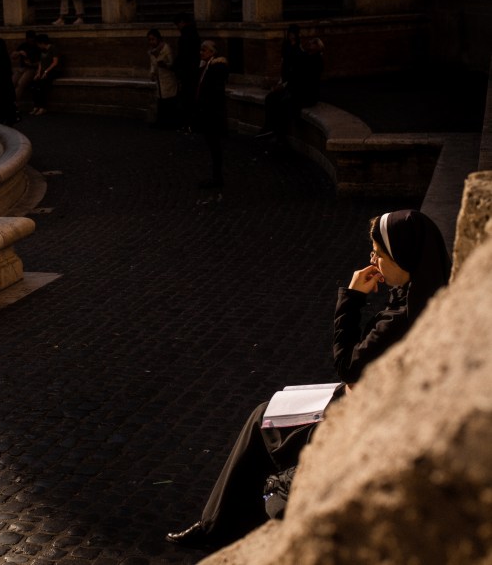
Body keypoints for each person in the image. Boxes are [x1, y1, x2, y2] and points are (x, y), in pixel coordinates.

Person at [166, 210, 452, 552]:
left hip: (362, 421)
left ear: (402, 256)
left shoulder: (402, 316)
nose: (372, 260)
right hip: (376, 407)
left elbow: (347, 365)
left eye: (379, 253)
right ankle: (222, 525)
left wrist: (353, 296)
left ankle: (217, 528)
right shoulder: (425, 291)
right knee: (266, 415)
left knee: (263, 419)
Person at [258, 35, 325, 139]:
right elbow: (294, 71)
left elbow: (304, 79)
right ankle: (269, 126)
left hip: (307, 94)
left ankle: (280, 135)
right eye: (311, 42)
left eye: (314, 43)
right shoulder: (305, 57)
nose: (310, 43)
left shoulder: (317, 61)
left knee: (284, 104)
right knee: (270, 98)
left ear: (319, 47)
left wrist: (285, 87)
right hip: (296, 90)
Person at [192, 40, 228, 201]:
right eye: (201, 50)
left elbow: (215, 90)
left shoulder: (216, 68)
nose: (201, 53)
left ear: (212, 52)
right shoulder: (205, 67)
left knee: (214, 145)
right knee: (212, 144)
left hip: (212, 112)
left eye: (204, 51)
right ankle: (216, 175)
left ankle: (217, 176)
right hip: (207, 111)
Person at [172, 12, 201, 132]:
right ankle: (190, 124)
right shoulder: (194, 34)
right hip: (193, 71)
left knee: (187, 99)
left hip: (187, 72)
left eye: (178, 24)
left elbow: (183, 56)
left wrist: (175, 67)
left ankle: (188, 125)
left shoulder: (185, 36)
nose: (177, 27)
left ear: (182, 22)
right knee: (190, 98)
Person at [147, 28, 177, 129]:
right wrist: (152, 73)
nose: (151, 42)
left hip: (168, 78)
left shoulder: (166, 48)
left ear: (159, 39)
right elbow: (152, 63)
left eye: (153, 39)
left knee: (168, 101)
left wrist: (162, 62)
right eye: (150, 40)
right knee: (160, 100)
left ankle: (170, 123)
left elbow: (171, 63)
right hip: (159, 79)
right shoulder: (152, 51)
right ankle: (161, 122)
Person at [29, 34, 59, 116]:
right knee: (34, 85)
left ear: (42, 43)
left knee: (43, 86)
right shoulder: (42, 50)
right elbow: (40, 63)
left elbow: (55, 62)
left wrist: (46, 71)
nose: (38, 46)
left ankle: (43, 107)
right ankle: (36, 106)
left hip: (52, 71)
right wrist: (38, 73)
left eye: (38, 44)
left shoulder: (53, 48)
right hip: (43, 71)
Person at [11, 30, 41, 104]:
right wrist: (19, 53)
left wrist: (31, 64)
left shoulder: (38, 46)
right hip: (22, 68)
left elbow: (41, 62)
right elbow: (12, 56)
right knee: (12, 82)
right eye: (29, 39)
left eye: (33, 39)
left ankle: (14, 103)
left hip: (32, 69)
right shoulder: (23, 45)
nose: (31, 40)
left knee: (21, 83)